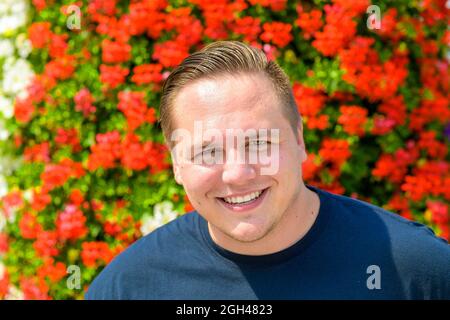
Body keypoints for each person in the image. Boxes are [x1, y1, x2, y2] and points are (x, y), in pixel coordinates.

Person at [85, 41, 450, 300]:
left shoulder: (416, 270)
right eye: (208, 151)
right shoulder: (129, 287)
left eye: (259, 143)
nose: (237, 173)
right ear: (177, 165)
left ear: (299, 140)